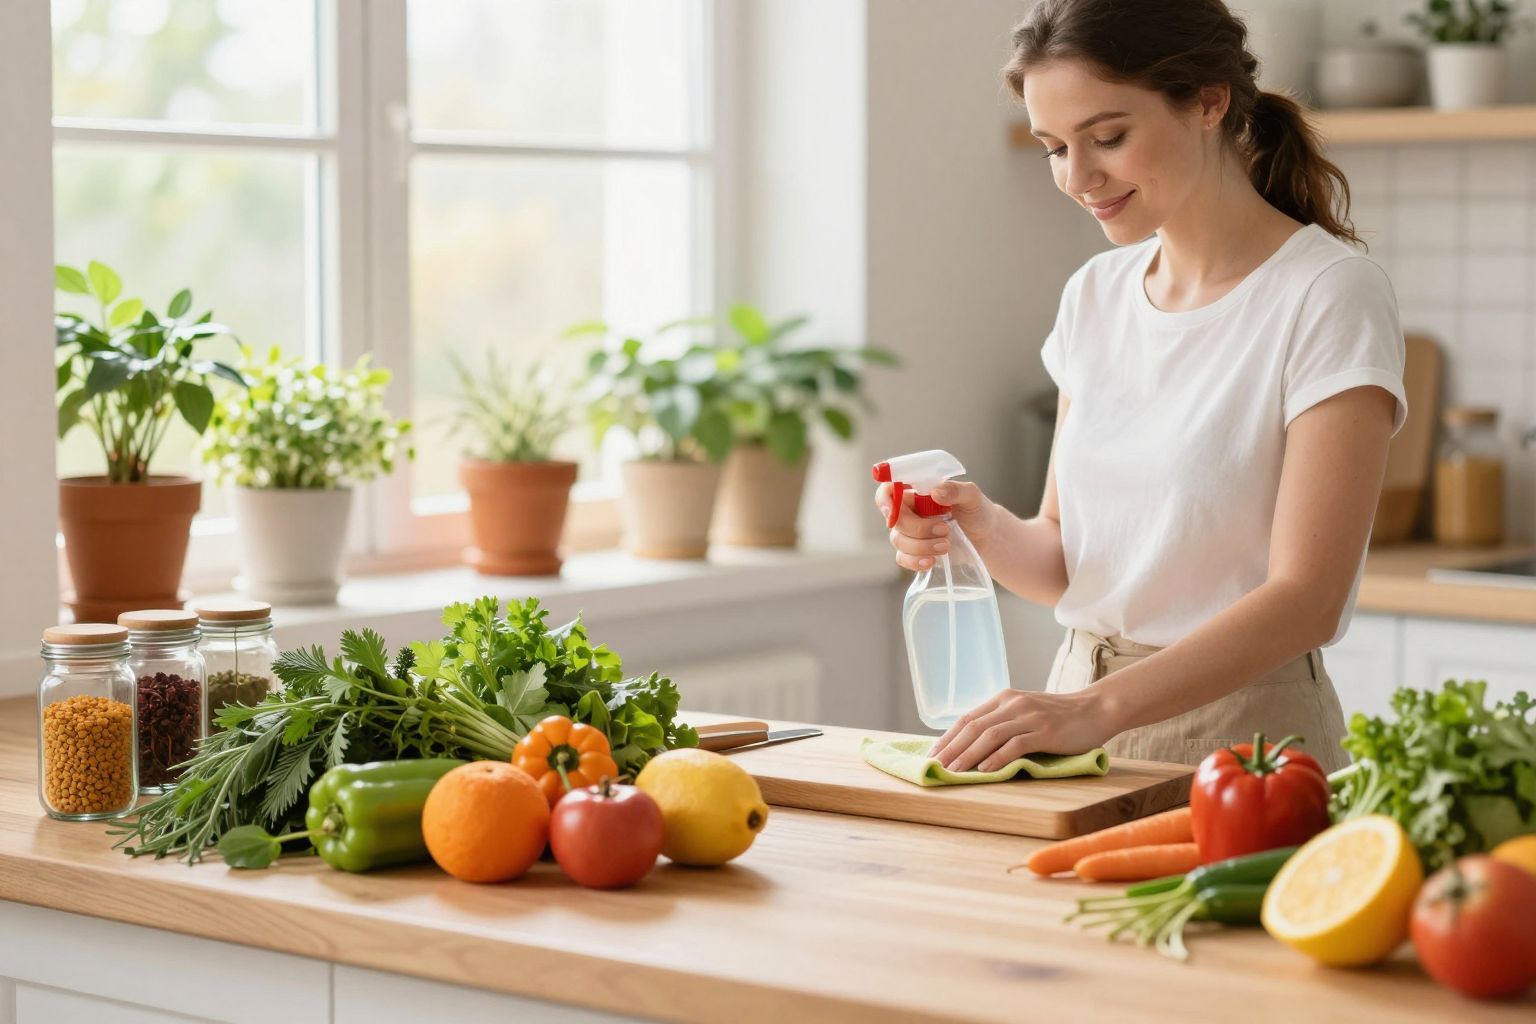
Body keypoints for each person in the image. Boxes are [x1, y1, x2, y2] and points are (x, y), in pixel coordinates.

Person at [877, 0, 1406, 775]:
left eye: (1108, 137)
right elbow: (1063, 563)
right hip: (1074, 721)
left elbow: (1308, 599)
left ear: (1207, 100)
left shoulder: (1327, 293)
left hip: (1247, 740)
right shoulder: (1095, 295)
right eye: (1054, 147)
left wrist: (1094, 710)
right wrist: (980, 524)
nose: (1078, 177)